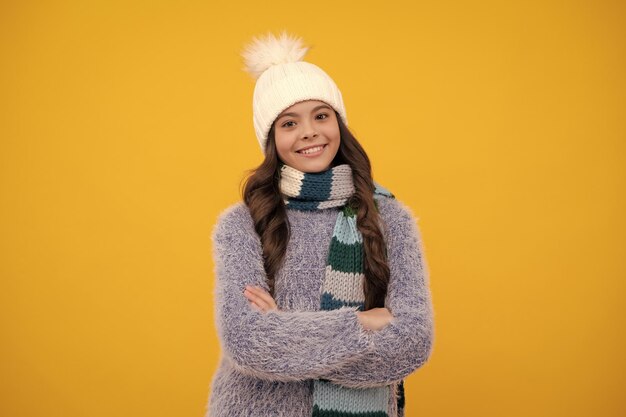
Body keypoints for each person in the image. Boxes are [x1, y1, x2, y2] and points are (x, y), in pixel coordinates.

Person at [205, 31, 435, 417]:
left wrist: (284, 328)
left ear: (338, 125)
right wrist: (363, 321)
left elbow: (411, 342)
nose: (309, 131)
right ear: (271, 139)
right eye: (289, 123)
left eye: (321, 116)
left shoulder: (390, 218)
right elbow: (247, 342)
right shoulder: (243, 223)